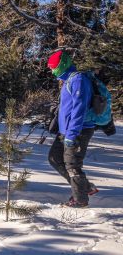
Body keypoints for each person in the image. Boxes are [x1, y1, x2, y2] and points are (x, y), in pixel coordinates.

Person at [47, 50, 98, 207]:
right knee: (54, 158)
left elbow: (79, 109)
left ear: (62, 65)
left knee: (72, 165)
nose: (53, 71)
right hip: (66, 131)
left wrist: (72, 134)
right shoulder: (69, 80)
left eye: (54, 67)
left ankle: (80, 200)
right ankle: (85, 187)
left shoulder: (78, 80)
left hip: (78, 131)